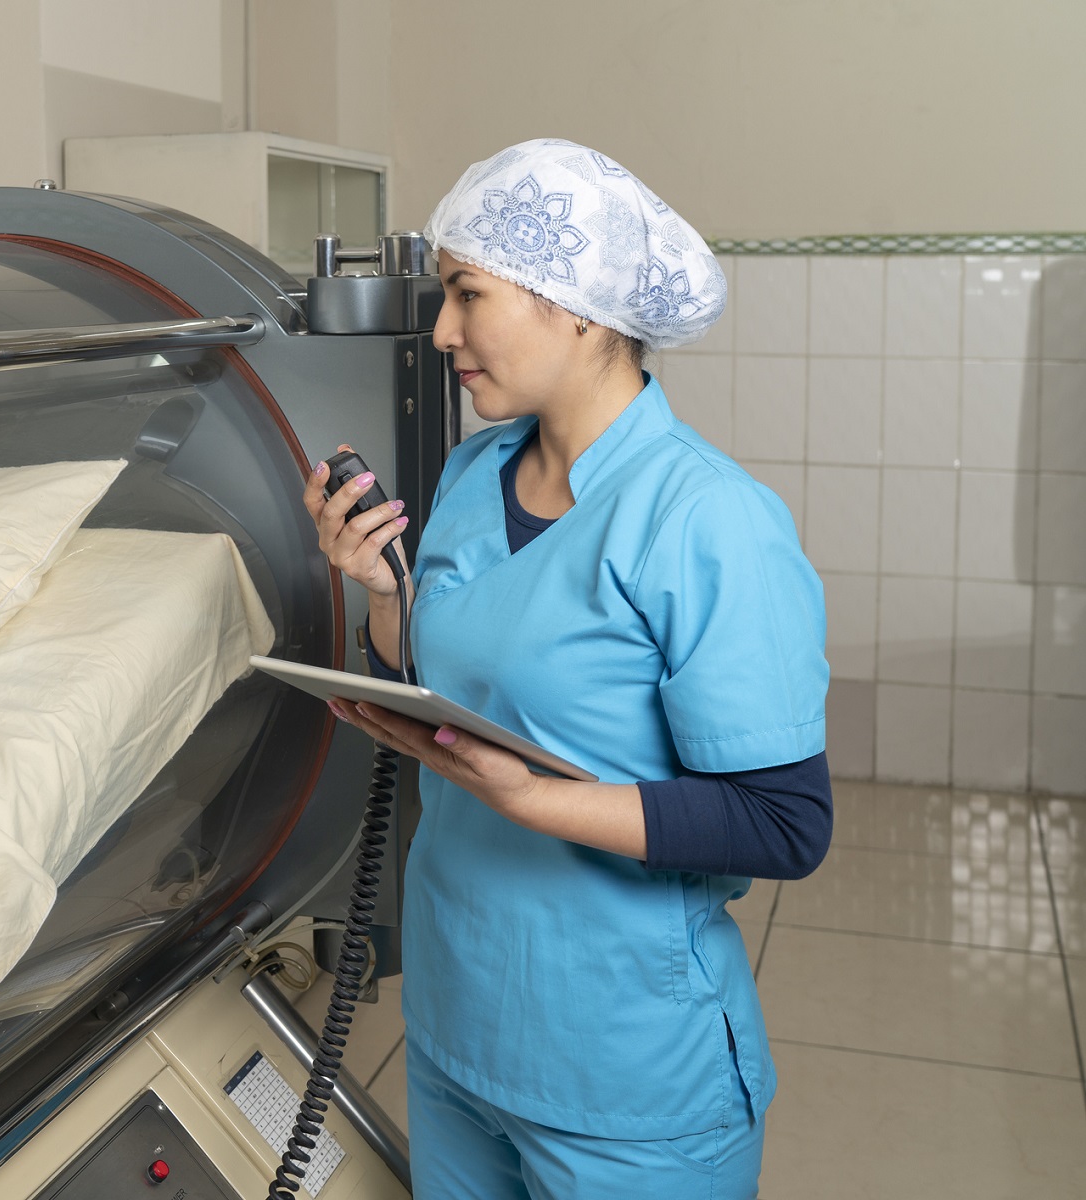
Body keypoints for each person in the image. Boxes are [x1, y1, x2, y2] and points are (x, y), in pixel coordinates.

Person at [304, 139, 831, 1199]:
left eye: (465, 294)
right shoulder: (473, 467)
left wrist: (533, 801)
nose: (441, 329)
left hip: (623, 1073)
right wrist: (375, 594)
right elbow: (456, 669)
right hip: (458, 1035)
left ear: (578, 309)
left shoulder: (707, 520)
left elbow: (782, 823)